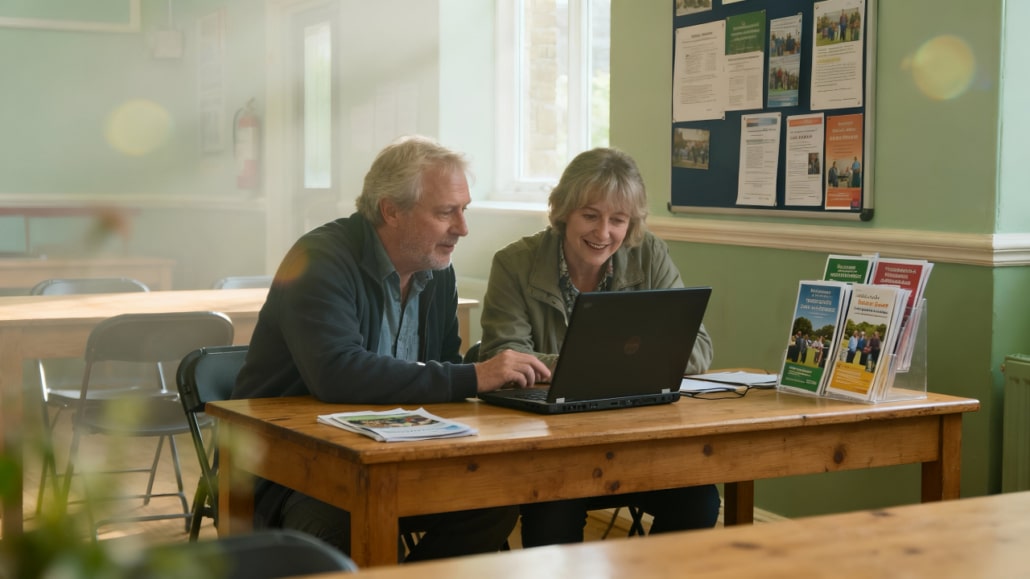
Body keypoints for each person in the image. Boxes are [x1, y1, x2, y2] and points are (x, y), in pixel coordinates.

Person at [232, 135, 551, 562]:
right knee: (346, 522)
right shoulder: (318, 259)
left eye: (464, 210)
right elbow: (337, 372)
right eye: (445, 213)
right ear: (391, 211)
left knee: (490, 503)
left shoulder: (437, 272)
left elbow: (440, 370)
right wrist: (474, 376)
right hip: (292, 466)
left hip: (392, 456)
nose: (462, 228)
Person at [478, 147, 719, 548]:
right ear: (563, 212)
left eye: (618, 220)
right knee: (552, 518)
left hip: (636, 441)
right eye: (590, 215)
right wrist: (614, 363)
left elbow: (697, 347)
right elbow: (505, 358)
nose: (603, 233)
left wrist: (593, 367)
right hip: (549, 450)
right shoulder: (514, 264)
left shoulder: (650, 254)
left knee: (699, 502)